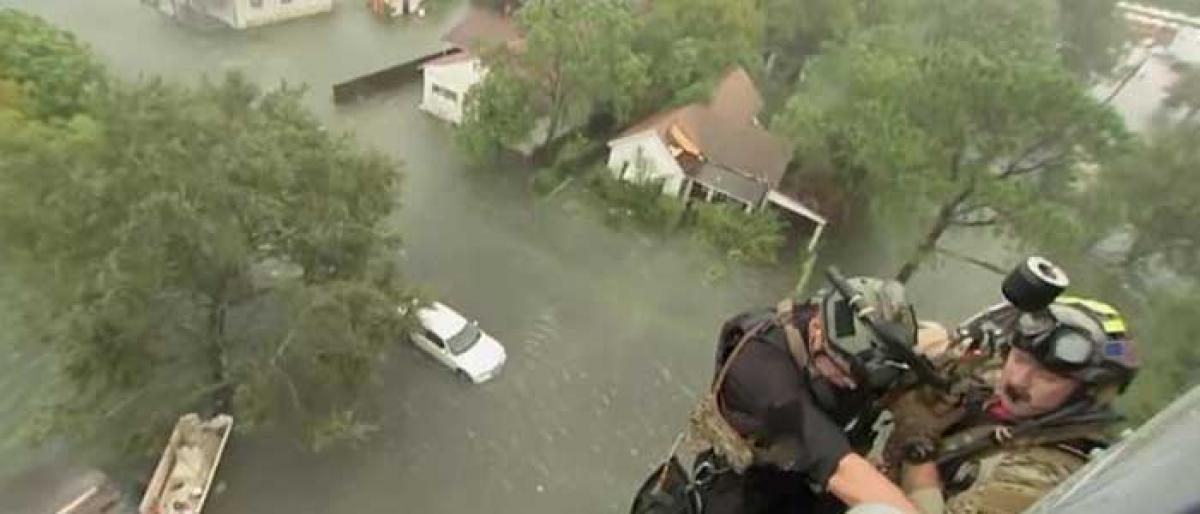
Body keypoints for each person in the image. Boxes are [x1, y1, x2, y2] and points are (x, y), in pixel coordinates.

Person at [690, 277, 923, 514]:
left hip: (808, 489)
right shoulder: (765, 379)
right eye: (844, 373)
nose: (852, 385)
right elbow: (842, 469)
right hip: (747, 498)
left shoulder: (832, 324)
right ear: (816, 331)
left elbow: (907, 338)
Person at [890, 296, 1138, 514]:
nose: (1019, 380)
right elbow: (944, 348)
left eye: (1047, 377)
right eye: (1019, 358)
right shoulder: (1001, 385)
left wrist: (917, 453)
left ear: (1086, 394)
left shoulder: (1043, 475)